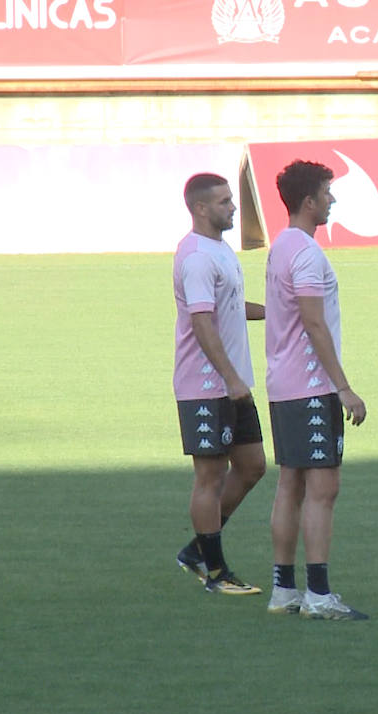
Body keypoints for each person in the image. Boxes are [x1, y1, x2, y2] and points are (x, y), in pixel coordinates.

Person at [263, 160, 370, 620]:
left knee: (290, 485)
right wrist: (343, 388)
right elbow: (312, 320)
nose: (332, 199)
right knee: (323, 488)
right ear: (309, 201)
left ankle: (284, 589)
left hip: (283, 385)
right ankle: (319, 595)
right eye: (327, 192)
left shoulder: (281, 246)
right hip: (310, 387)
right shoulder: (306, 253)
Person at [172, 172, 266, 595]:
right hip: (207, 386)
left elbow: (227, 305)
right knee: (210, 475)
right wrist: (229, 377)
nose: (232, 207)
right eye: (225, 201)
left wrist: (276, 311)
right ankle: (215, 572)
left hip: (233, 383)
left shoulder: (220, 249)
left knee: (252, 466)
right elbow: (202, 321)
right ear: (200, 208)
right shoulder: (195, 257)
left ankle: (197, 550)